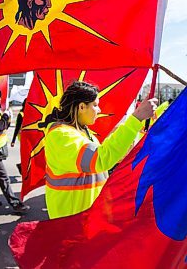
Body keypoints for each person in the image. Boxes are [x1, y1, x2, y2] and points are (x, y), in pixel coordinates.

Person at [44, 81, 157, 219]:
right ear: (81, 107)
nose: (99, 110)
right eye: (95, 105)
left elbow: (102, 161)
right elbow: (100, 159)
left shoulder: (84, 133)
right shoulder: (61, 136)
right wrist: (136, 118)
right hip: (71, 221)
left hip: (86, 217)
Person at [10, 98, 26, 174]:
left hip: (29, 137)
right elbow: (17, 128)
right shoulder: (21, 114)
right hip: (23, 137)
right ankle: (21, 167)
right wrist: (13, 141)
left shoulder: (31, 113)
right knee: (26, 154)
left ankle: (22, 166)